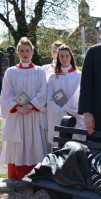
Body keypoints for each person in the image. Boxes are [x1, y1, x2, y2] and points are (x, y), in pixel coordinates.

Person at [0, 37, 49, 181]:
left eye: (28, 50)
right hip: (18, 116)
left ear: (32, 52)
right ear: (17, 53)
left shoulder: (40, 71)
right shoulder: (11, 72)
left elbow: (43, 91)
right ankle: (18, 176)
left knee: (36, 142)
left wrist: (31, 105)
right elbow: (5, 94)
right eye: (21, 50)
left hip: (34, 115)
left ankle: (37, 176)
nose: (25, 53)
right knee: (19, 143)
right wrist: (17, 108)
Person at [47, 44, 84, 150]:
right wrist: (60, 110)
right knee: (58, 146)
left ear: (71, 57)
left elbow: (79, 95)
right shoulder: (53, 77)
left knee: (75, 146)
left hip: (74, 115)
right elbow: (49, 98)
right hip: (57, 115)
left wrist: (67, 109)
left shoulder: (79, 75)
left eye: (67, 56)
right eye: (61, 56)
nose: (64, 59)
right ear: (57, 58)